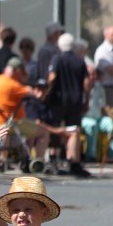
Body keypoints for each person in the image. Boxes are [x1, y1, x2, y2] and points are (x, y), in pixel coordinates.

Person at [45, 33, 92, 177]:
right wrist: (87, 99)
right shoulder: (80, 60)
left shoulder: (57, 59)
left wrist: (48, 90)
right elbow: (87, 83)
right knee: (74, 131)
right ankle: (74, 162)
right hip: (75, 100)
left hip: (59, 100)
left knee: (56, 129)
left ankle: (54, 159)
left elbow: (52, 77)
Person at [34, 22, 63, 87]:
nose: (60, 35)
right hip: (50, 87)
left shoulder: (42, 49)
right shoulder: (54, 51)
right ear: (55, 33)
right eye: (59, 33)